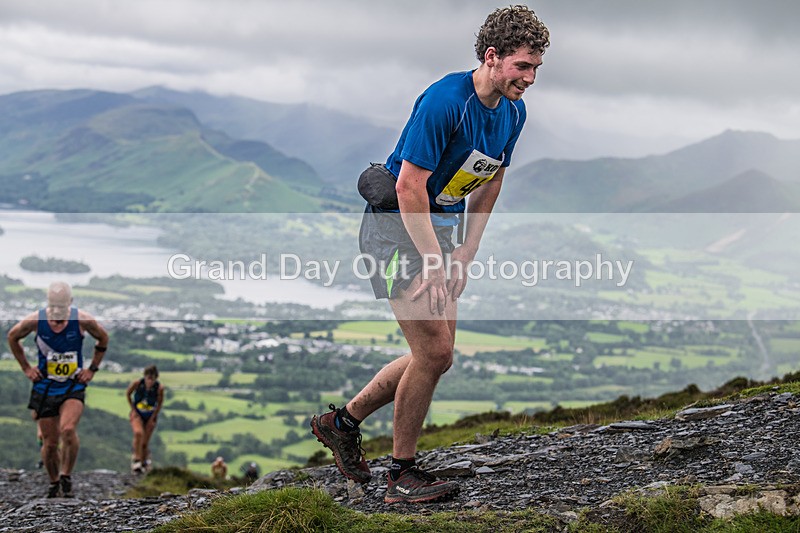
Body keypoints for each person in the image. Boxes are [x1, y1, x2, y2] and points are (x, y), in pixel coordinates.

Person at [311, 5, 549, 504]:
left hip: (438, 231)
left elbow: (493, 176)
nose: (530, 78)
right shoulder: (446, 101)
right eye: (523, 66)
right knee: (434, 352)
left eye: (535, 69)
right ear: (492, 57)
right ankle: (401, 476)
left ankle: (342, 422)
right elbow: (408, 185)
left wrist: (466, 249)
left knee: (436, 357)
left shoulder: (513, 111)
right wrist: (435, 259)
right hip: (395, 229)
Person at [7, 281, 109, 498]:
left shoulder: (82, 320)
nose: (57, 314)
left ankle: (66, 475)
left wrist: (91, 369)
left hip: (73, 385)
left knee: (68, 429)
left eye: (62, 308)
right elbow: (13, 337)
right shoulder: (36, 320)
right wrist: (26, 368)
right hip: (45, 387)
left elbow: (103, 337)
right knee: (50, 443)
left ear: (70, 303)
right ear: (48, 304)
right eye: (53, 307)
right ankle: (54, 482)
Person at [126, 364, 164, 474]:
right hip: (137, 413)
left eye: (152, 379)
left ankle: (144, 462)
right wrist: (133, 409)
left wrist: (153, 417)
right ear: (145, 376)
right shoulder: (137, 384)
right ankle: (136, 459)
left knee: (145, 441)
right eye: (148, 378)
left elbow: (160, 403)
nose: (150, 381)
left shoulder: (159, 388)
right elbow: (128, 394)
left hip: (150, 414)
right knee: (138, 433)